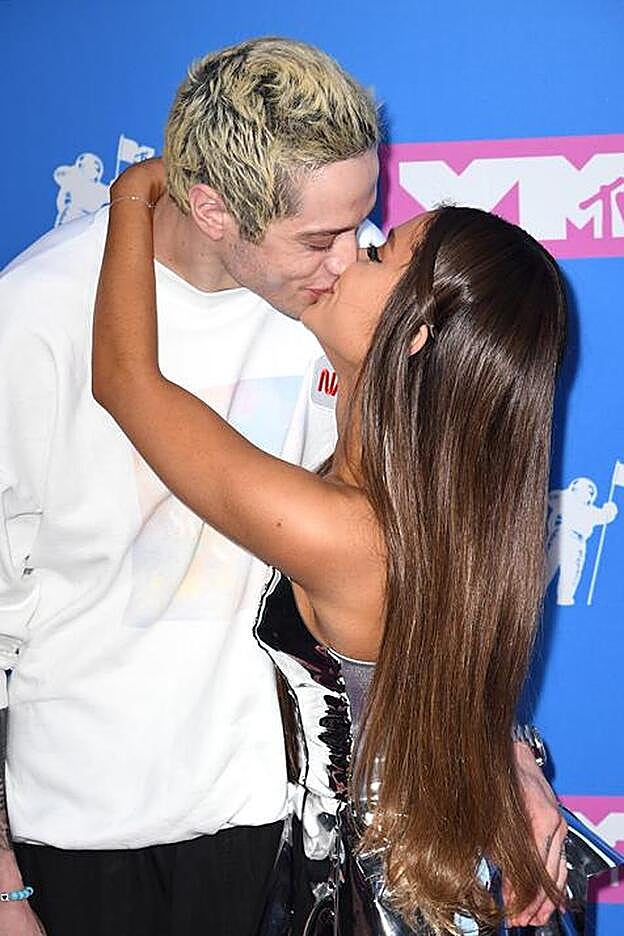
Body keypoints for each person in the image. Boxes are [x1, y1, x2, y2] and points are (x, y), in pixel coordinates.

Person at [91, 159, 569, 933]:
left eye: (377, 256)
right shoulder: (441, 512)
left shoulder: (346, 532)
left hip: (375, 902)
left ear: (413, 337)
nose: (344, 255)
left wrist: (136, 190)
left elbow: (125, 382)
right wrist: (507, 752)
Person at [0, 37, 380, 936]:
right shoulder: (38, 315)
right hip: (83, 830)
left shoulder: (341, 305)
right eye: (319, 237)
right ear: (211, 208)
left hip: (276, 819)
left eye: (363, 222)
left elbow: (436, 551)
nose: (351, 256)